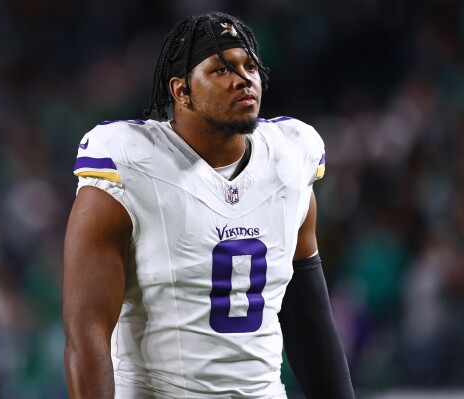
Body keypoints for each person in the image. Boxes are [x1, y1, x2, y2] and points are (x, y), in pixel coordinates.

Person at [63, 11, 354, 399]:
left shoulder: (288, 159)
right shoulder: (128, 165)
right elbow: (87, 335)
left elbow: (308, 317)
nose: (244, 78)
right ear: (181, 91)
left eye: (250, 66)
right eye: (221, 69)